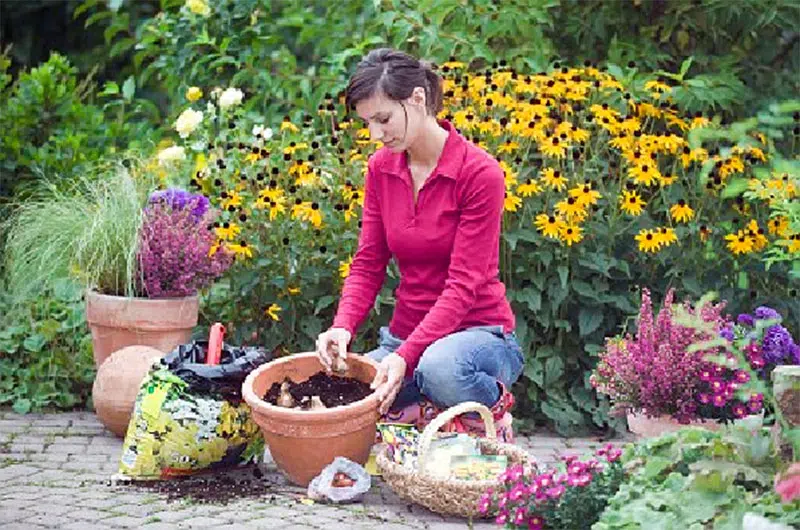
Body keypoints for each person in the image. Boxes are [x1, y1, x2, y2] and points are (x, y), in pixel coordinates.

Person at [315, 48, 523, 441]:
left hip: (477, 338)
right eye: (368, 124)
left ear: (417, 99)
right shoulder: (381, 169)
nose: (376, 135)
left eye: (383, 119)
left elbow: (463, 287)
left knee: (440, 370)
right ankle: (431, 414)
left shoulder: (480, 174)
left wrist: (405, 358)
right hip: (405, 339)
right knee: (347, 399)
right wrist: (342, 327)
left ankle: (489, 413)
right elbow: (368, 262)